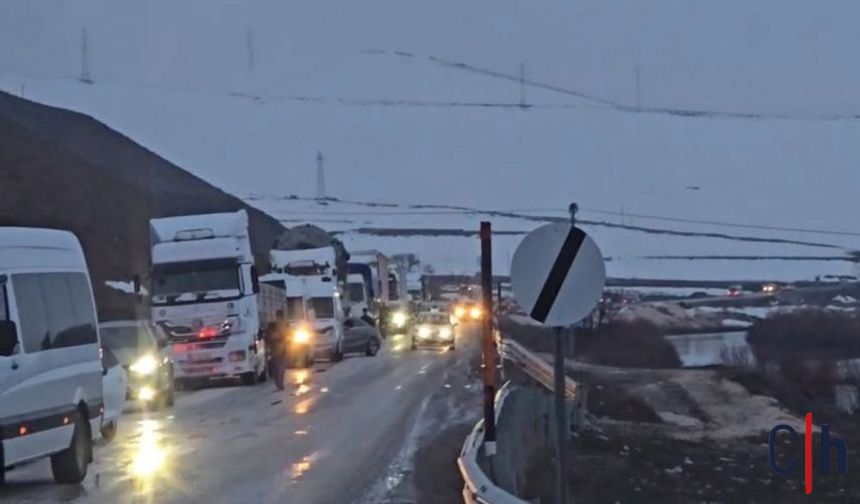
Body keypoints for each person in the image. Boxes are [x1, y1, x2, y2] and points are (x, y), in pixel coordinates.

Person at [265, 310, 288, 390]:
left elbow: (267, 338)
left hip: (275, 350)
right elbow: (288, 336)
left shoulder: (272, 325)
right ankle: (280, 383)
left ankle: (279, 383)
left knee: (277, 368)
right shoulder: (285, 324)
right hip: (281, 349)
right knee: (281, 367)